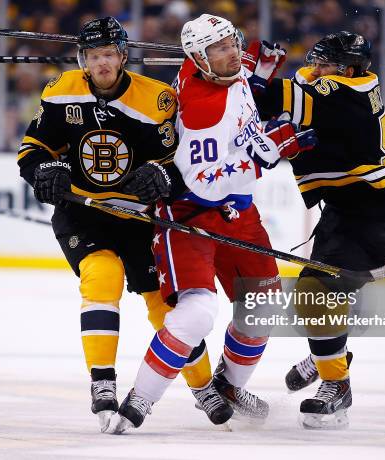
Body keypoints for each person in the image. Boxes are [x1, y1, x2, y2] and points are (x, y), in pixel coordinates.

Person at [16, 17, 228, 432]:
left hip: (139, 219)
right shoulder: (61, 91)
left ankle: (203, 387)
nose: (101, 65)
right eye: (93, 57)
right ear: (83, 59)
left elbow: (181, 162)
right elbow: (33, 150)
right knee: (102, 276)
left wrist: (164, 177)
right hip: (84, 210)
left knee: (165, 305)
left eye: (109, 55)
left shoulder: (158, 100)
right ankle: (102, 383)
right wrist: (44, 171)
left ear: (123, 56)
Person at [108, 13, 316, 434]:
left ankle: (228, 387)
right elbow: (204, 185)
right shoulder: (203, 110)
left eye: (233, 43)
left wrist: (256, 80)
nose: (233, 53)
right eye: (220, 49)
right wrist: (263, 155)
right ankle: (138, 403)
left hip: (238, 212)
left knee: (261, 310)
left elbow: (241, 116)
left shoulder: (219, 69)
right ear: (199, 59)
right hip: (191, 214)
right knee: (196, 314)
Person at [246, 31, 385, 429]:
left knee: (314, 293)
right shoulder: (344, 85)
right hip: (348, 213)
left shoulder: (339, 94)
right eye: (316, 60)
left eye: (325, 63)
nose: (315, 68)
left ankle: (337, 383)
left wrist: (251, 72)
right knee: (319, 294)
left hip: (374, 220)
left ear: (348, 69)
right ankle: (327, 354)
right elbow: (292, 90)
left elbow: (259, 101)